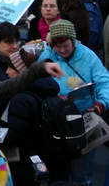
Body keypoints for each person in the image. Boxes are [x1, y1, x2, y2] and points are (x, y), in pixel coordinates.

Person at [37, 19, 109, 186]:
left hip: (83, 118)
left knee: (82, 169)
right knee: (60, 170)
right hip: (56, 121)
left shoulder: (88, 56)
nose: (62, 50)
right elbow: (37, 82)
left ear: (74, 41)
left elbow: (104, 81)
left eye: (66, 45)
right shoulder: (46, 56)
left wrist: (101, 103)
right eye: (58, 46)